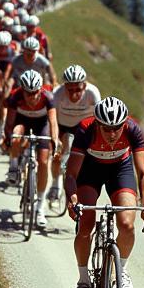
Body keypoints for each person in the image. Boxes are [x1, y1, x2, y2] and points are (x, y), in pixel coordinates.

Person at [65, 97, 144, 288]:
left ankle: (121, 271)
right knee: (85, 225)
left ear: (124, 124)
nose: (112, 134)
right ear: (97, 124)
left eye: (117, 128)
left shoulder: (133, 130)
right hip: (90, 170)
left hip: (120, 170)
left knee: (127, 224)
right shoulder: (86, 130)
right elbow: (71, 174)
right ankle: (83, 281)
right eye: (106, 129)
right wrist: (72, 199)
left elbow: (142, 172)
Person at [3, 70, 58, 228]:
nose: (32, 97)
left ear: (40, 90)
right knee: (15, 134)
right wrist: (8, 139)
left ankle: (40, 208)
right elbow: (9, 123)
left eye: (35, 93)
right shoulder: (16, 97)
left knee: (43, 161)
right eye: (28, 93)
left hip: (42, 125)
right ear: (23, 90)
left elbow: (53, 123)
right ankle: (13, 167)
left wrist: (54, 140)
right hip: (22, 123)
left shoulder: (48, 98)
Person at [48, 64, 101, 202]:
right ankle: (56, 183)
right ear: (64, 86)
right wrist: (55, 139)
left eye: (77, 89)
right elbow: (52, 119)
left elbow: (99, 119)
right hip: (63, 126)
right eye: (69, 89)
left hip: (83, 127)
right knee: (58, 155)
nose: (74, 94)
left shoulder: (92, 92)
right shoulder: (58, 93)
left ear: (84, 85)